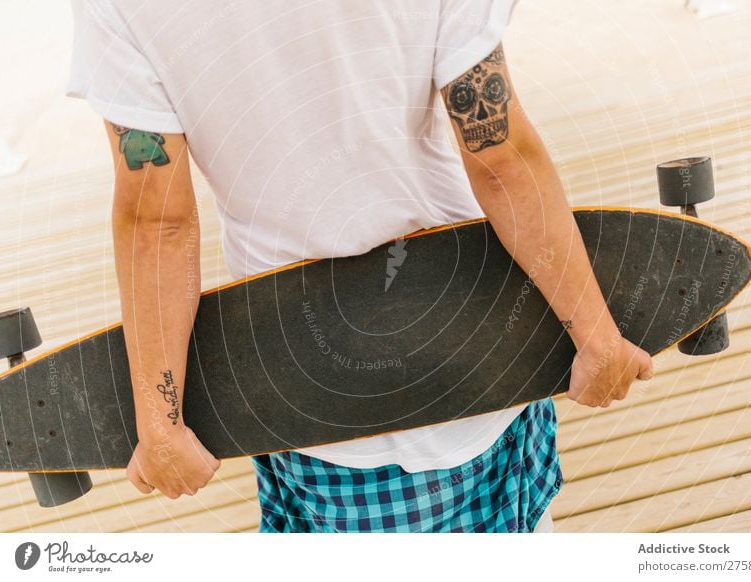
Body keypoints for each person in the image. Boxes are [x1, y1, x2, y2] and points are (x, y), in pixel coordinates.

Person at [67, 0, 652, 533]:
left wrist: (161, 423)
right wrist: (597, 338)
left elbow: (156, 222)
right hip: (472, 336)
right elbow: (496, 149)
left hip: (295, 379)